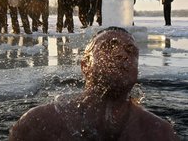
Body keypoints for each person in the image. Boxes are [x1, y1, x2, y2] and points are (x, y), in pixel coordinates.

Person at [9, 27, 179, 141]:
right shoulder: (39, 123)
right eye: (109, 47)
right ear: (85, 66)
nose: (122, 54)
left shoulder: (158, 132)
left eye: (130, 51)